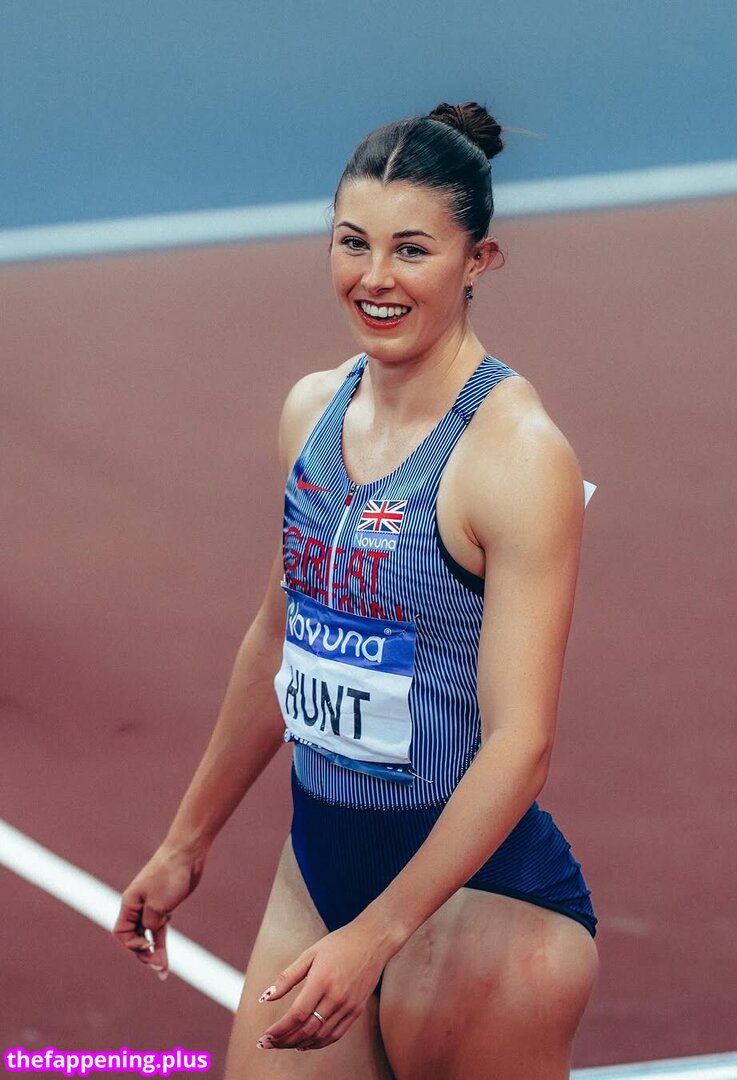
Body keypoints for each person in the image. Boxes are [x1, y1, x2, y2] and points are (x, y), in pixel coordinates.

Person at [114, 100, 599, 1079]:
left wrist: (377, 936)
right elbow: (279, 635)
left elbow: (520, 744)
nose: (374, 278)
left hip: (482, 912)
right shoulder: (312, 410)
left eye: (410, 250)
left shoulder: (513, 457)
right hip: (319, 877)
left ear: (478, 261)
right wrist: (185, 842)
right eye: (352, 243)